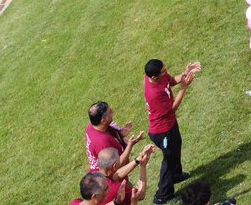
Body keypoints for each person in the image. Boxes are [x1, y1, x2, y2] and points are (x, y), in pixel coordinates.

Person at [143, 58, 204, 205]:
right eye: (163, 71)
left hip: (169, 125)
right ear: (153, 77)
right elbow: (172, 109)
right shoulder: (154, 94)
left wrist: (185, 74)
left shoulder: (160, 77)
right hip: (162, 131)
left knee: (177, 146)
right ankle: (162, 196)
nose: (166, 72)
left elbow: (170, 80)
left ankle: (176, 175)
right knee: (169, 160)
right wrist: (184, 87)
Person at [85, 102, 141, 172]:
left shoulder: (92, 127)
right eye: (110, 112)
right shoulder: (103, 143)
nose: (113, 112)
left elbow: (109, 131)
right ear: (103, 121)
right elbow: (115, 166)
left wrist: (121, 133)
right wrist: (130, 145)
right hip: (112, 179)